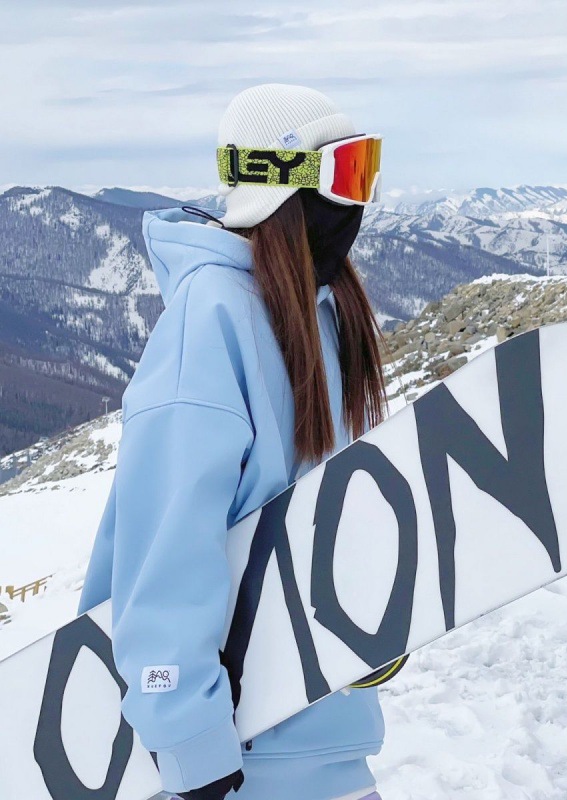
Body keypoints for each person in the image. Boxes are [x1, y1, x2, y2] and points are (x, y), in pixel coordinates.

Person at [78, 84, 388, 800]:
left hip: (328, 741)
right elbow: (167, 547)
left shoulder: (322, 314)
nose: (360, 201)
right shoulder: (210, 319)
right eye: (348, 173)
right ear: (284, 179)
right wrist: (190, 739)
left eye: (367, 171)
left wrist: (372, 627)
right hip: (242, 765)